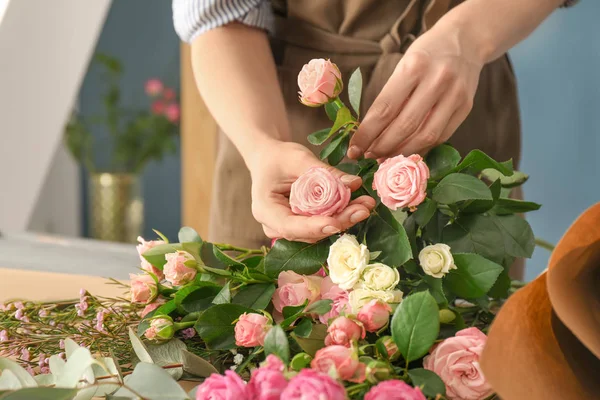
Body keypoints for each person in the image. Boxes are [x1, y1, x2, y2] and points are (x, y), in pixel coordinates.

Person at [172, 1, 576, 259]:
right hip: (278, 123)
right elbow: (219, 12)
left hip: (460, 111)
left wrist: (468, 37)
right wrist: (263, 146)